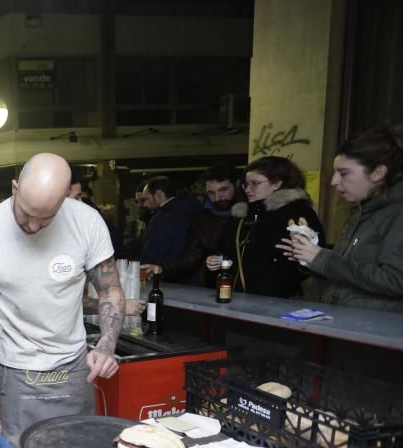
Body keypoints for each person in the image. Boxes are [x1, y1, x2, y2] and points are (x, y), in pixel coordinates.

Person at [0, 153, 125, 446]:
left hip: (73, 369)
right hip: (12, 370)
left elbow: (110, 289)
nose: (32, 227)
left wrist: (106, 345)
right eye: (26, 214)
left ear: (65, 198)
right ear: (15, 188)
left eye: (46, 219)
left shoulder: (87, 222)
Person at [278, 126, 403, 311]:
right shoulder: (362, 210)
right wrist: (309, 257)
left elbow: (396, 281)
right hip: (350, 325)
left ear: (378, 173)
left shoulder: (397, 213)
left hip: (376, 334)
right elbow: (349, 272)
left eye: (343, 173)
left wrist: (322, 258)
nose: (334, 181)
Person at [208, 156, 324, 298]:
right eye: (245, 184)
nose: (248, 189)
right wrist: (214, 260)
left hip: (280, 303)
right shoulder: (241, 215)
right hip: (236, 298)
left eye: (255, 183)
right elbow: (222, 250)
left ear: (277, 183)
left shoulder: (297, 213)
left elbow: (314, 262)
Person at [162, 163, 244, 286]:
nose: (217, 198)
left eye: (223, 190)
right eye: (211, 193)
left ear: (237, 185)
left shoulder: (252, 215)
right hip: (216, 287)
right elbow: (191, 256)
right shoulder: (203, 219)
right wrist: (161, 269)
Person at [139, 176, 202, 281]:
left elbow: (151, 253)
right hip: (192, 282)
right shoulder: (195, 211)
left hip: (164, 281)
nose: (145, 204)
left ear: (159, 195)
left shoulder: (161, 219)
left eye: (146, 199)